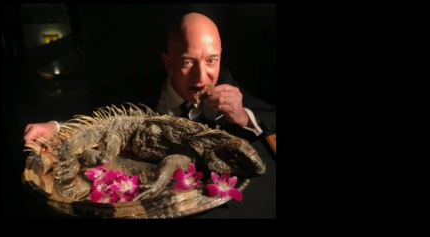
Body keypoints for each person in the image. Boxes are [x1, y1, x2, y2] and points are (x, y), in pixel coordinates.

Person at [23, 12, 276, 143]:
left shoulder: (226, 82)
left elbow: (270, 116)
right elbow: (99, 122)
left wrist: (243, 116)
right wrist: (57, 128)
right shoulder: (137, 91)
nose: (202, 77)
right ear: (169, 64)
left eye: (211, 60)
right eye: (187, 62)